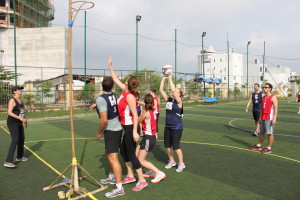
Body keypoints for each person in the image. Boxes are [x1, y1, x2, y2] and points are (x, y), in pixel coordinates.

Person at [107, 56, 148, 191]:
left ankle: (141, 180)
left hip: (131, 127)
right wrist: (110, 66)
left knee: (130, 153)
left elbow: (135, 114)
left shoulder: (130, 96)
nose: (123, 81)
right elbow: (115, 79)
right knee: (123, 151)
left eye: (126, 80)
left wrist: (136, 131)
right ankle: (130, 175)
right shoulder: (125, 92)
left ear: (128, 83)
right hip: (127, 126)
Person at [94, 76, 125, 198]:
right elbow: (107, 105)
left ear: (102, 86)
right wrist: (95, 105)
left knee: (113, 158)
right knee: (110, 155)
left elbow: (104, 119)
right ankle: (112, 176)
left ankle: (119, 187)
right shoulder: (113, 95)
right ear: (112, 87)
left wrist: (99, 132)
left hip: (111, 130)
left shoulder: (101, 99)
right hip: (117, 127)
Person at [137, 94, 166, 183]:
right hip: (149, 137)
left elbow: (137, 121)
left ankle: (159, 173)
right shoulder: (153, 109)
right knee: (136, 153)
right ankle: (150, 171)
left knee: (140, 160)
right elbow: (143, 103)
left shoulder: (145, 113)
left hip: (149, 138)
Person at [159, 73, 185, 172]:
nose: (173, 92)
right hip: (168, 126)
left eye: (176, 92)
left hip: (176, 126)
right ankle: (171, 160)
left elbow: (173, 90)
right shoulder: (169, 100)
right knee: (167, 145)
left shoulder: (179, 102)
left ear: (179, 94)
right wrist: (163, 79)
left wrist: (170, 78)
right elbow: (161, 90)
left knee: (176, 147)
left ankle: (181, 163)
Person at [250, 83, 278, 154]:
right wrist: (260, 118)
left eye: (266, 87)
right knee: (261, 132)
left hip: (270, 117)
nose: (264, 88)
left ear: (270, 89)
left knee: (270, 133)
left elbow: (276, 108)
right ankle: (259, 145)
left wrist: (274, 118)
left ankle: (269, 148)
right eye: (264, 87)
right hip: (263, 117)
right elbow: (262, 109)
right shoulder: (263, 98)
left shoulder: (273, 97)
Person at [4, 86, 28, 168]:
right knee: (15, 140)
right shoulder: (12, 100)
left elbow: (21, 112)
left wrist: (25, 121)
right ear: (14, 91)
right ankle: (8, 161)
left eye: (21, 89)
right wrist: (20, 118)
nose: (20, 90)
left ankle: (19, 157)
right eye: (19, 89)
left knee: (21, 138)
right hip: (12, 123)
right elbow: (9, 112)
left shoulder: (20, 100)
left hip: (19, 123)